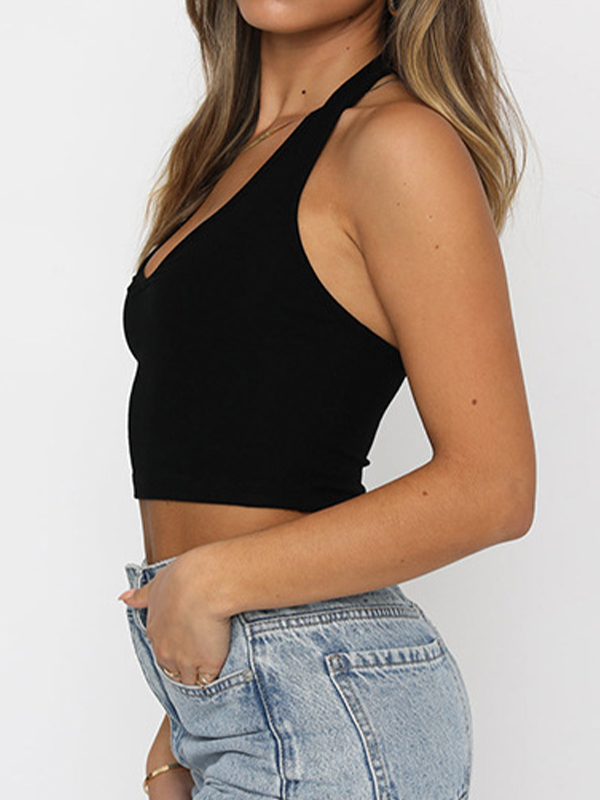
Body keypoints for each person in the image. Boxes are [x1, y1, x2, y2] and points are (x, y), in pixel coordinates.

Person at [118, 1, 536, 798]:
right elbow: (237, 425)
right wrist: (185, 720)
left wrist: (207, 584)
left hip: (327, 703)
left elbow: (495, 487)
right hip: (247, 693)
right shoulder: (227, 152)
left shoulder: (397, 143)